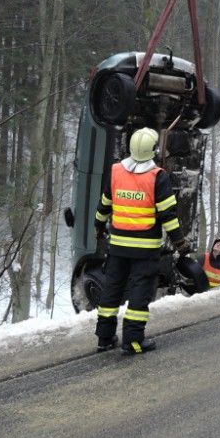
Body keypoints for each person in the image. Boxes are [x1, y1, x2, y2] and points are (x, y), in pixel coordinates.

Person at [94, 127, 191, 356]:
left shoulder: (116, 171)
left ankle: (104, 338)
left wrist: (99, 227)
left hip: (118, 246)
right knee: (140, 291)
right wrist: (180, 243)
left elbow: (104, 205)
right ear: (154, 150)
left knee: (112, 289)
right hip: (144, 250)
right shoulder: (157, 176)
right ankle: (134, 341)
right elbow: (168, 215)